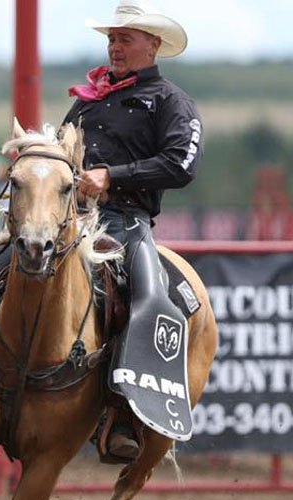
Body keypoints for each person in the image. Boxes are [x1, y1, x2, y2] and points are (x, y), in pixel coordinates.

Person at [63, 0, 202, 460]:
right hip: (67, 218)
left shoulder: (171, 101)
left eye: (124, 38)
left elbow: (180, 164)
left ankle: (124, 412)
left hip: (125, 222)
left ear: (153, 45)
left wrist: (111, 175)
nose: (114, 47)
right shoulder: (87, 102)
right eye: (111, 39)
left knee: (149, 299)